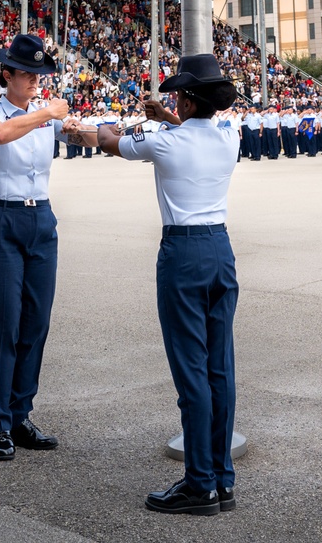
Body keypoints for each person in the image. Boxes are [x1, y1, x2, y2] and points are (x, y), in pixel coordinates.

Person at [96, 51, 240, 516]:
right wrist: (168, 120)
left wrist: (128, 125)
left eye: (177, 94)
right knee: (220, 368)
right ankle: (221, 479)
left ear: (189, 101)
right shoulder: (228, 134)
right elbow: (188, 133)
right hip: (221, 249)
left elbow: (108, 141)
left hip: (183, 253)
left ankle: (198, 485)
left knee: (190, 372)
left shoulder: (164, 142)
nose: (172, 99)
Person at [0, 33, 72, 460]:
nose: (34, 80)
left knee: (35, 324)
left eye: (39, 74)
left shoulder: (44, 114)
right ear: (6, 73)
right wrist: (46, 113)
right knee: (3, 326)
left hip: (40, 220)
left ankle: (20, 413)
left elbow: (80, 135)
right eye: (27, 73)